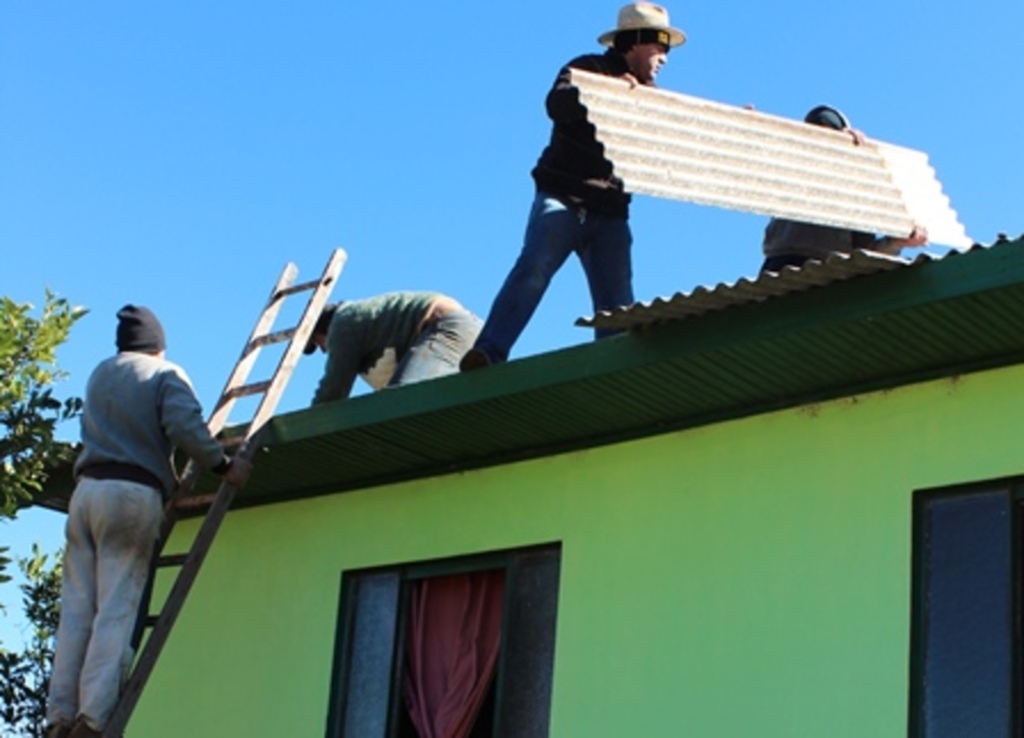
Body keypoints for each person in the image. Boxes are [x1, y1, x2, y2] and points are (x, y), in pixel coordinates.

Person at [45, 306, 253, 738]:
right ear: (159, 344)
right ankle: (93, 719)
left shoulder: (101, 373)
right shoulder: (164, 374)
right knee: (116, 609)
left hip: (85, 494)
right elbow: (184, 426)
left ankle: (59, 717)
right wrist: (222, 465)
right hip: (130, 495)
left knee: (77, 610)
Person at [460, 3, 686, 371]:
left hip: (610, 212)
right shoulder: (587, 68)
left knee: (618, 304)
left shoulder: (651, 98)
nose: (665, 58)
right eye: (660, 47)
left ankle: (614, 371)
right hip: (563, 198)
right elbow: (557, 104)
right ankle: (489, 353)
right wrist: (607, 93)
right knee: (534, 268)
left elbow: (680, 144)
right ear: (635, 43)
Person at [760, 105, 929, 273]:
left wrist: (896, 242)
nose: (821, 140)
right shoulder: (792, 171)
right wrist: (747, 130)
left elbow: (866, 252)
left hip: (831, 268)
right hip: (779, 264)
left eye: (829, 133)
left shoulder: (855, 188)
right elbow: (760, 163)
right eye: (815, 133)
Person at [306, 292, 481, 404]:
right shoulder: (367, 327)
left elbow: (333, 391)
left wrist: (309, 426)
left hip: (447, 328)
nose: (324, 351)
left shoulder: (342, 324)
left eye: (318, 343)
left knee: (399, 404)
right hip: (468, 330)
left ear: (321, 329)